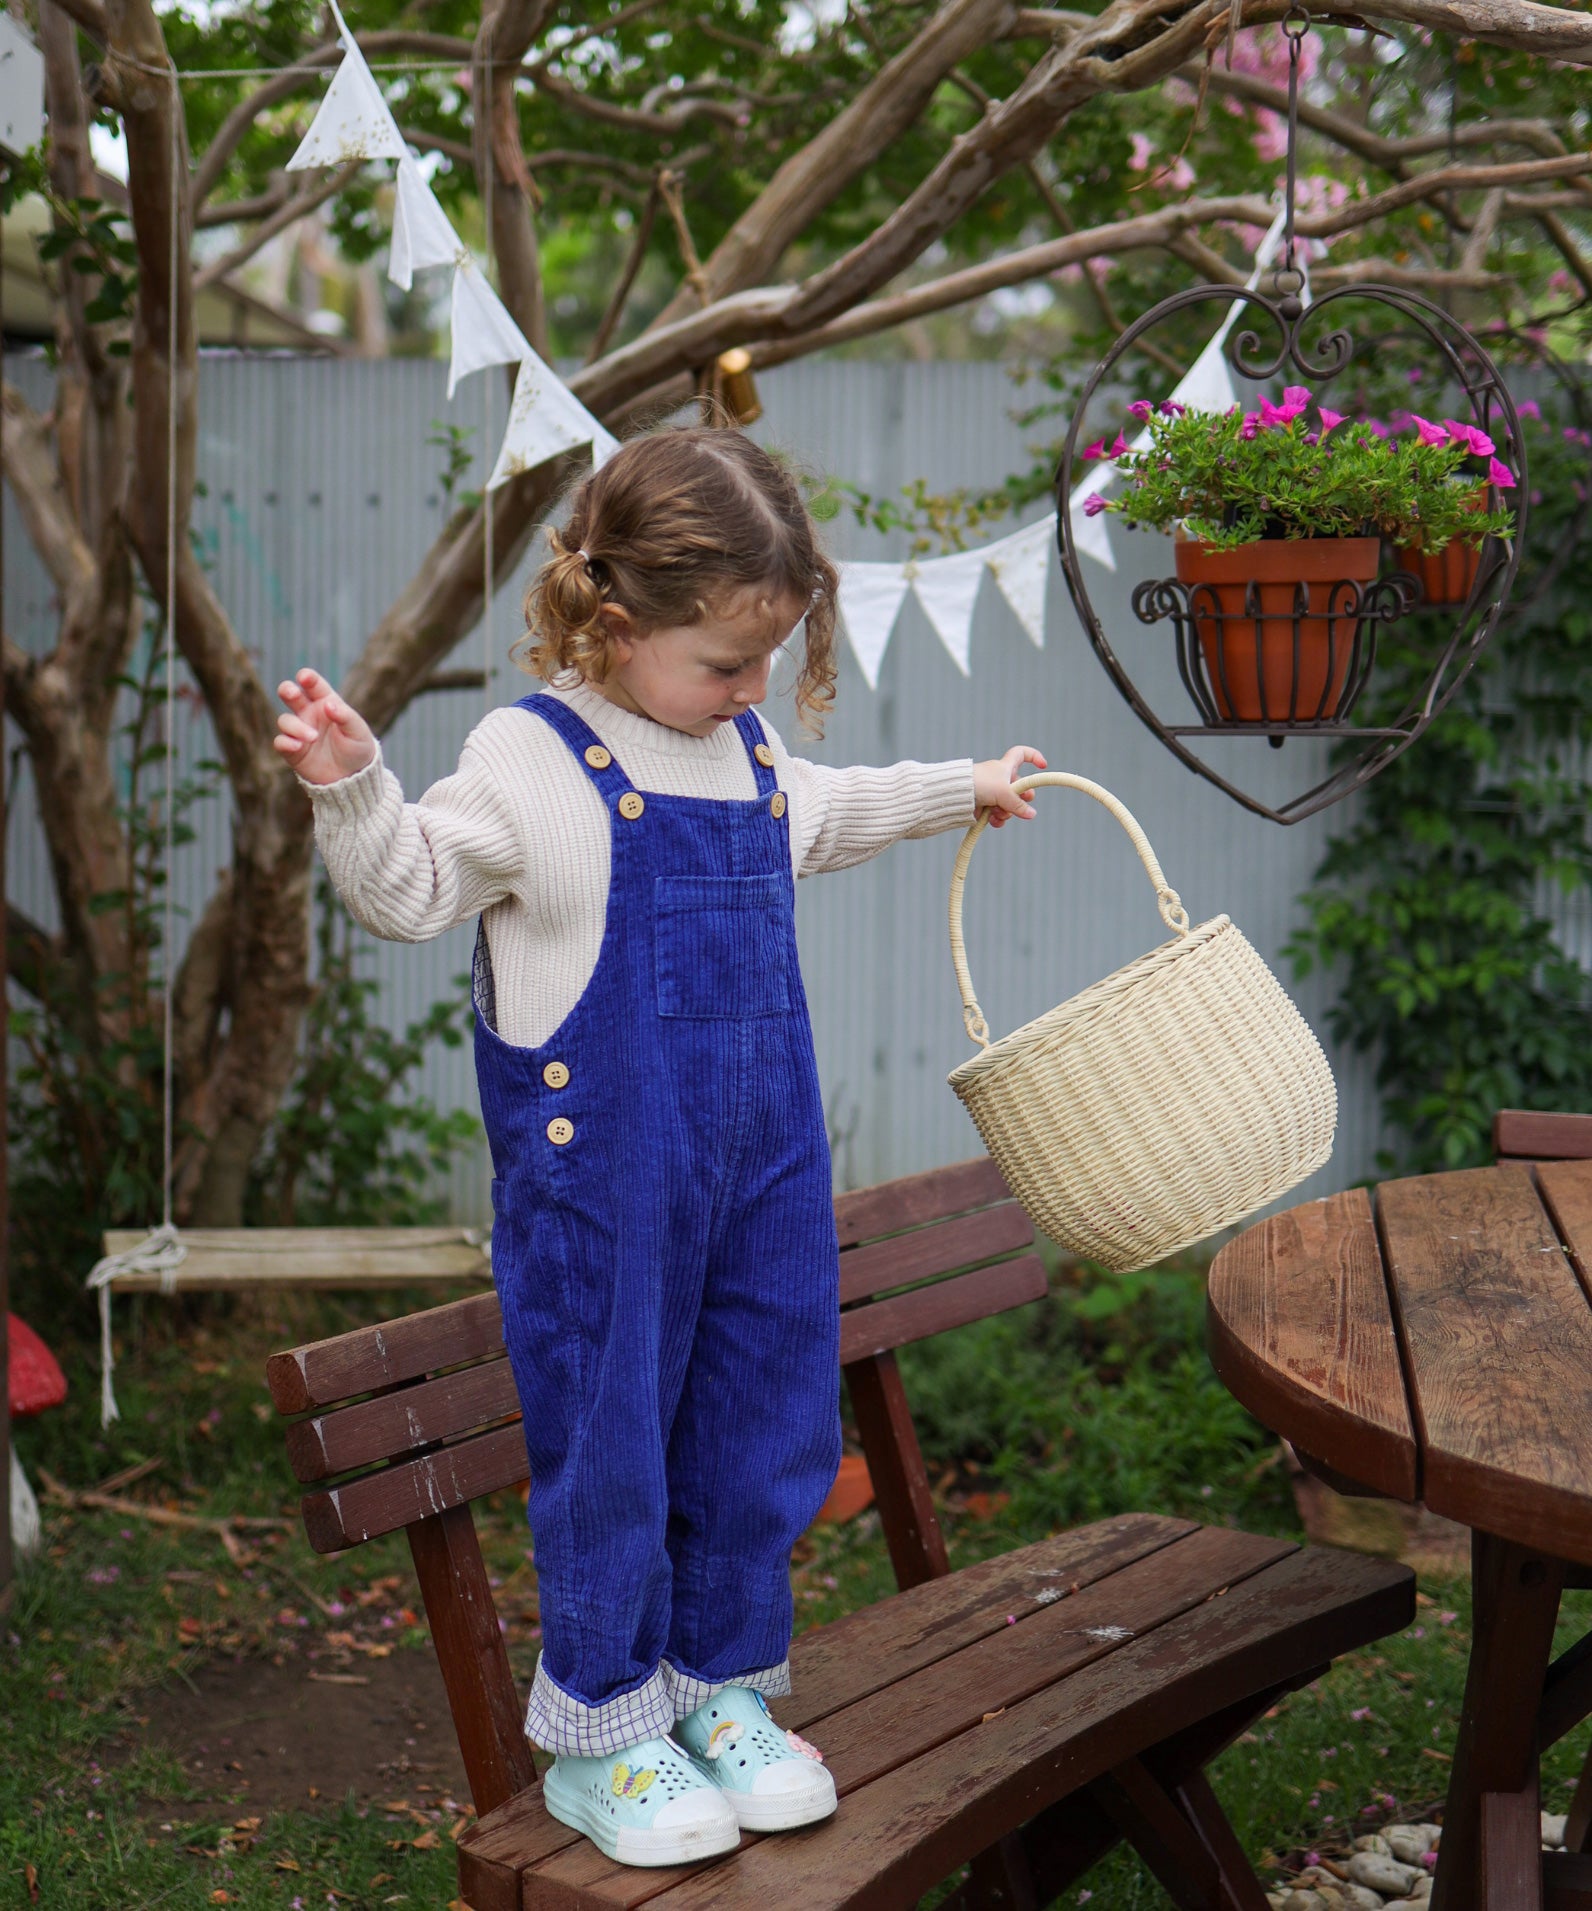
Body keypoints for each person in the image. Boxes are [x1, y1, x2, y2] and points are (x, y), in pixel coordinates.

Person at [276, 427, 1044, 1868]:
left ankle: (723, 1690)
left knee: (767, 1417)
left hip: (758, 1167)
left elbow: (837, 808)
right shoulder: (532, 756)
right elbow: (411, 888)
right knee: (614, 1440)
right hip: (604, 1190)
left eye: (768, 662)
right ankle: (607, 1729)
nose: (753, 693)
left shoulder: (744, 750)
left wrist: (964, 785)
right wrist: (352, 786)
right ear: (616, 624)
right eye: (724, 663)